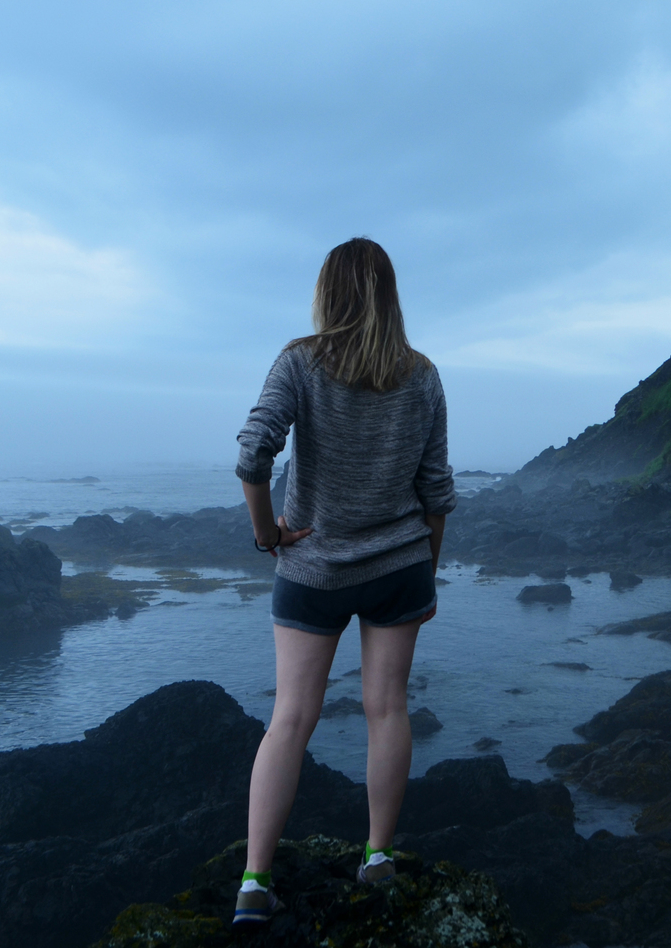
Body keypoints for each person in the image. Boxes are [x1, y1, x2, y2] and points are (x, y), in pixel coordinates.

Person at [230, 237, 456, 925]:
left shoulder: (301, 361)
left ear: (328, 292)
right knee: (387, 709)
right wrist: (427, 576)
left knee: (290, 719)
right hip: (400, 569)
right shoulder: (421, 375)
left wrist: (267, 534)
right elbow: (437, 493)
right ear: (389, 294)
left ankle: (254, 883)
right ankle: (378, 857)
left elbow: (252, 454)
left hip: (314, 569)